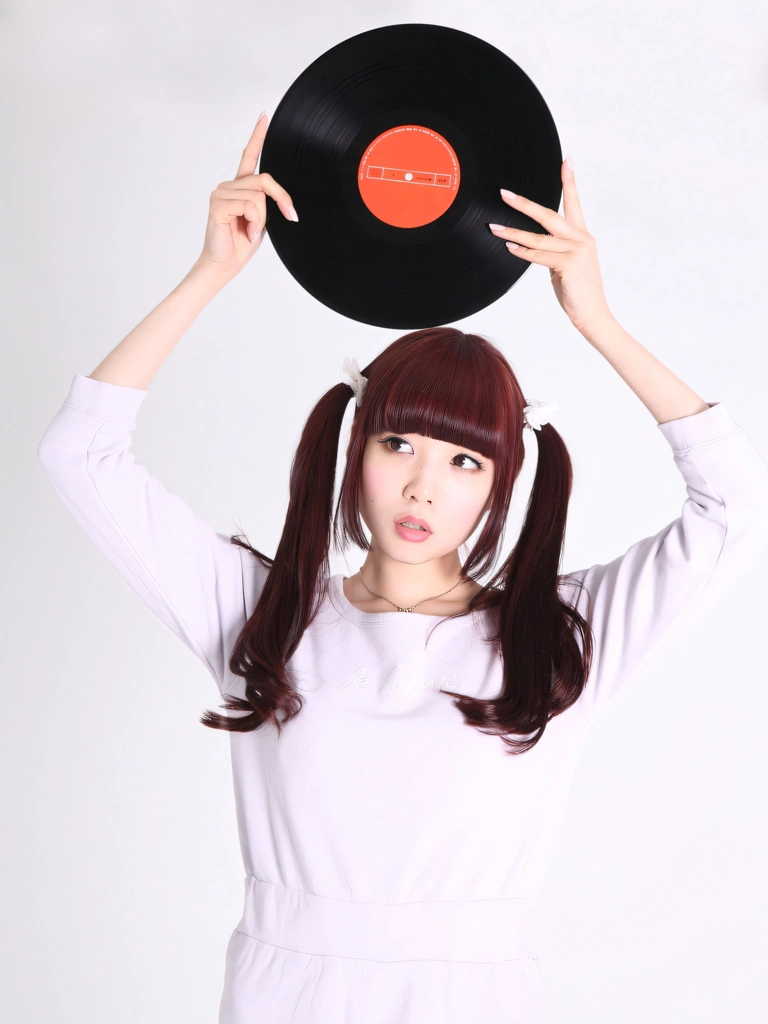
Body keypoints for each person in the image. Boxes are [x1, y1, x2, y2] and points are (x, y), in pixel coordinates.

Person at [37, 113, 768, 1023]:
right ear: (354, 448)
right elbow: (81, 455)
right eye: (400, 442)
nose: (425, 486)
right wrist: (210, 274)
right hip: (284, 998)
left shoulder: (561, 638)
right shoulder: (264, 617)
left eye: (467, 461)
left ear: (503, 483)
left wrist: (598, 320)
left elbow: (736, 503)